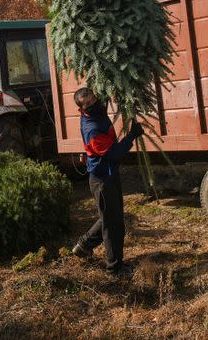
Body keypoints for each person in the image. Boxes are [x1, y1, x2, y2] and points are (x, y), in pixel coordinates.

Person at [71, 87, 144, 275]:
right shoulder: (92, 130)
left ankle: (84, 245)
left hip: (109, 174)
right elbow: (115, 153)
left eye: (93, 99)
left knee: (112, 216)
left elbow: (105, 90)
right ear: (81, 108)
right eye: (86, 103)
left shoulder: (97, 110)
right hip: (102, 179)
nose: (92, 103)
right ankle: (114, 268)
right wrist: (131, 136)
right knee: (113, 225)